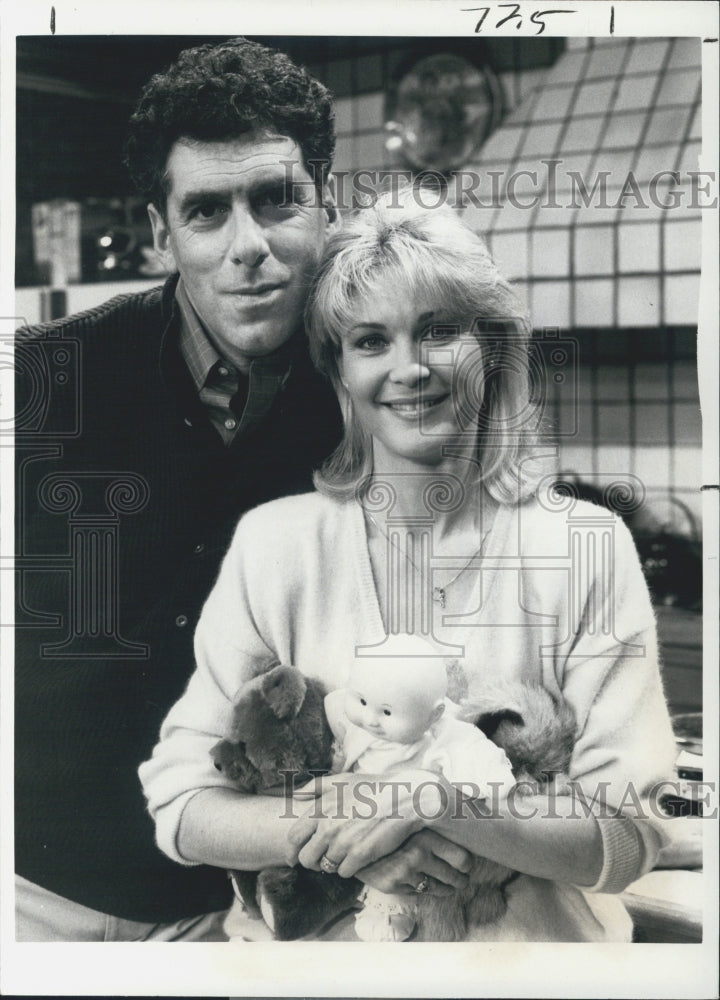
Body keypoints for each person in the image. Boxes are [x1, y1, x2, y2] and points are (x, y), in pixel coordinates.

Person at [139, 190, 678, 942]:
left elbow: (628, 833)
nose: (410, 368)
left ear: (492, 350)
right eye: (370, 341)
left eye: (439, 331)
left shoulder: (583, 544)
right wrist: (347, 822)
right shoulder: (275, 544)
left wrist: (438, 804)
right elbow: (183, 801)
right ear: (339, 372)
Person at [14, 37, 343, 942]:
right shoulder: (44, 383)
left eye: (277, 201)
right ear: (161, 233)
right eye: (207, 212)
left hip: (247, 913)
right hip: (34, 896)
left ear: (324, 204)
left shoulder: (375, 396)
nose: (251, 248)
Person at [324, 635, 514, 941]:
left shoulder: (443, 738)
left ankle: (391, 912)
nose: (370, 719)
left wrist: (492, 787)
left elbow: (486, 768)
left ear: (433, 715)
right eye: (361, 701)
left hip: (417, 831)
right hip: (352, 819)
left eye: (386, 712)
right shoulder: (358, 722)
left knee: (407, 875)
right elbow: (338, 718)